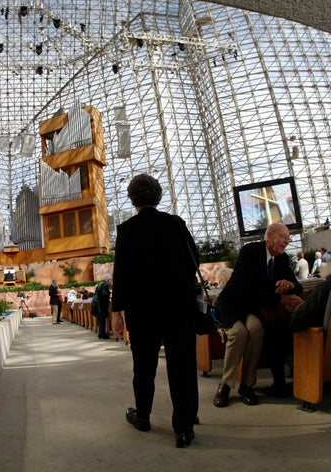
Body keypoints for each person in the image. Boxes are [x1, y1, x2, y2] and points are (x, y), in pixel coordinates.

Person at [111, 173, 198, 448]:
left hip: (143, 311)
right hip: (179, 307)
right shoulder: (175, 223)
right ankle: (184, 428)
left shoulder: (127, 231)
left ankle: (144, 416)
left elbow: (121, 275)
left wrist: (117, 312)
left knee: (144, 366)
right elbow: (194, 259)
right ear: (158, 196)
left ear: (132, 198)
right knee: (182, 365)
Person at [213, 222, 303, 406]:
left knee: (256, 330)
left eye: (288, 238)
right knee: (239, 333)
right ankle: (225, 385)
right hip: (232, 305)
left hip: (252, 308)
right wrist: (279, 300)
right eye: (283, 237)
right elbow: (247, 289)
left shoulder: (282, 259)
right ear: (269, 237)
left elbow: (298, 285)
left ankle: (247, 385)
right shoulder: (250, 252)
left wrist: (290, 285)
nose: (286, 241)